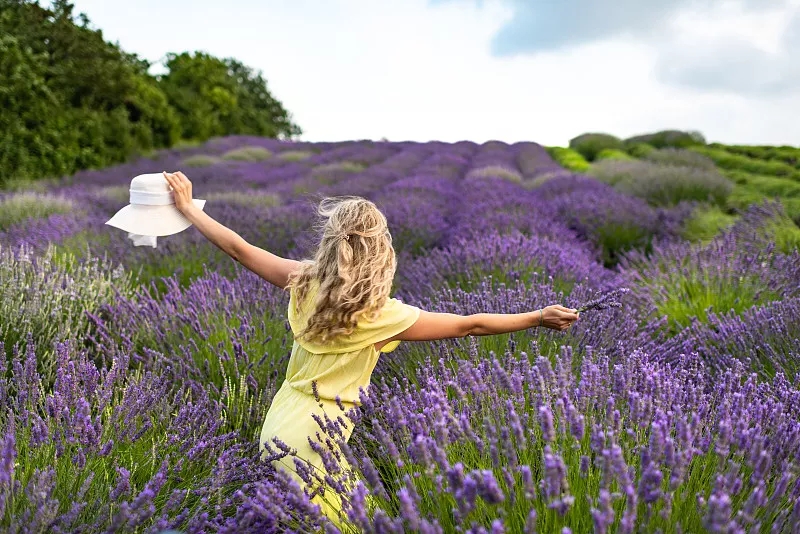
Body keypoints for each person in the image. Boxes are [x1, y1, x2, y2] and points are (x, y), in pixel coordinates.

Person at [161, 170, 580, 528]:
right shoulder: (382, 316)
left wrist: (191, 210)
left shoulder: (304, 282)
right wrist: (538, 316)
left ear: (331, 243)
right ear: (381, 253)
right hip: (313, 443)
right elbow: (470, 325)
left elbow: (240, 249)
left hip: (279, 426)